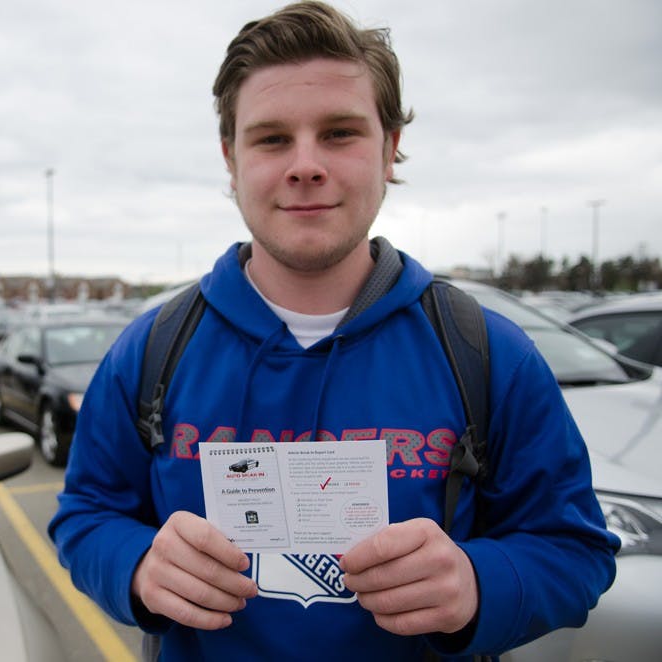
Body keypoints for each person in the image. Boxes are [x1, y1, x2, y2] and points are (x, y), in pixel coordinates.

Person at [48, 2, 619, 660]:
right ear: (230, 159)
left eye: (340, 133)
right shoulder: (152, 350)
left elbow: (576, 554)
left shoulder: (486, 353)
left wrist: (478, 584)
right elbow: (85, 515)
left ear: (391, 148)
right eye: (271, 139)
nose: (305, 165)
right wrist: (137, 565)